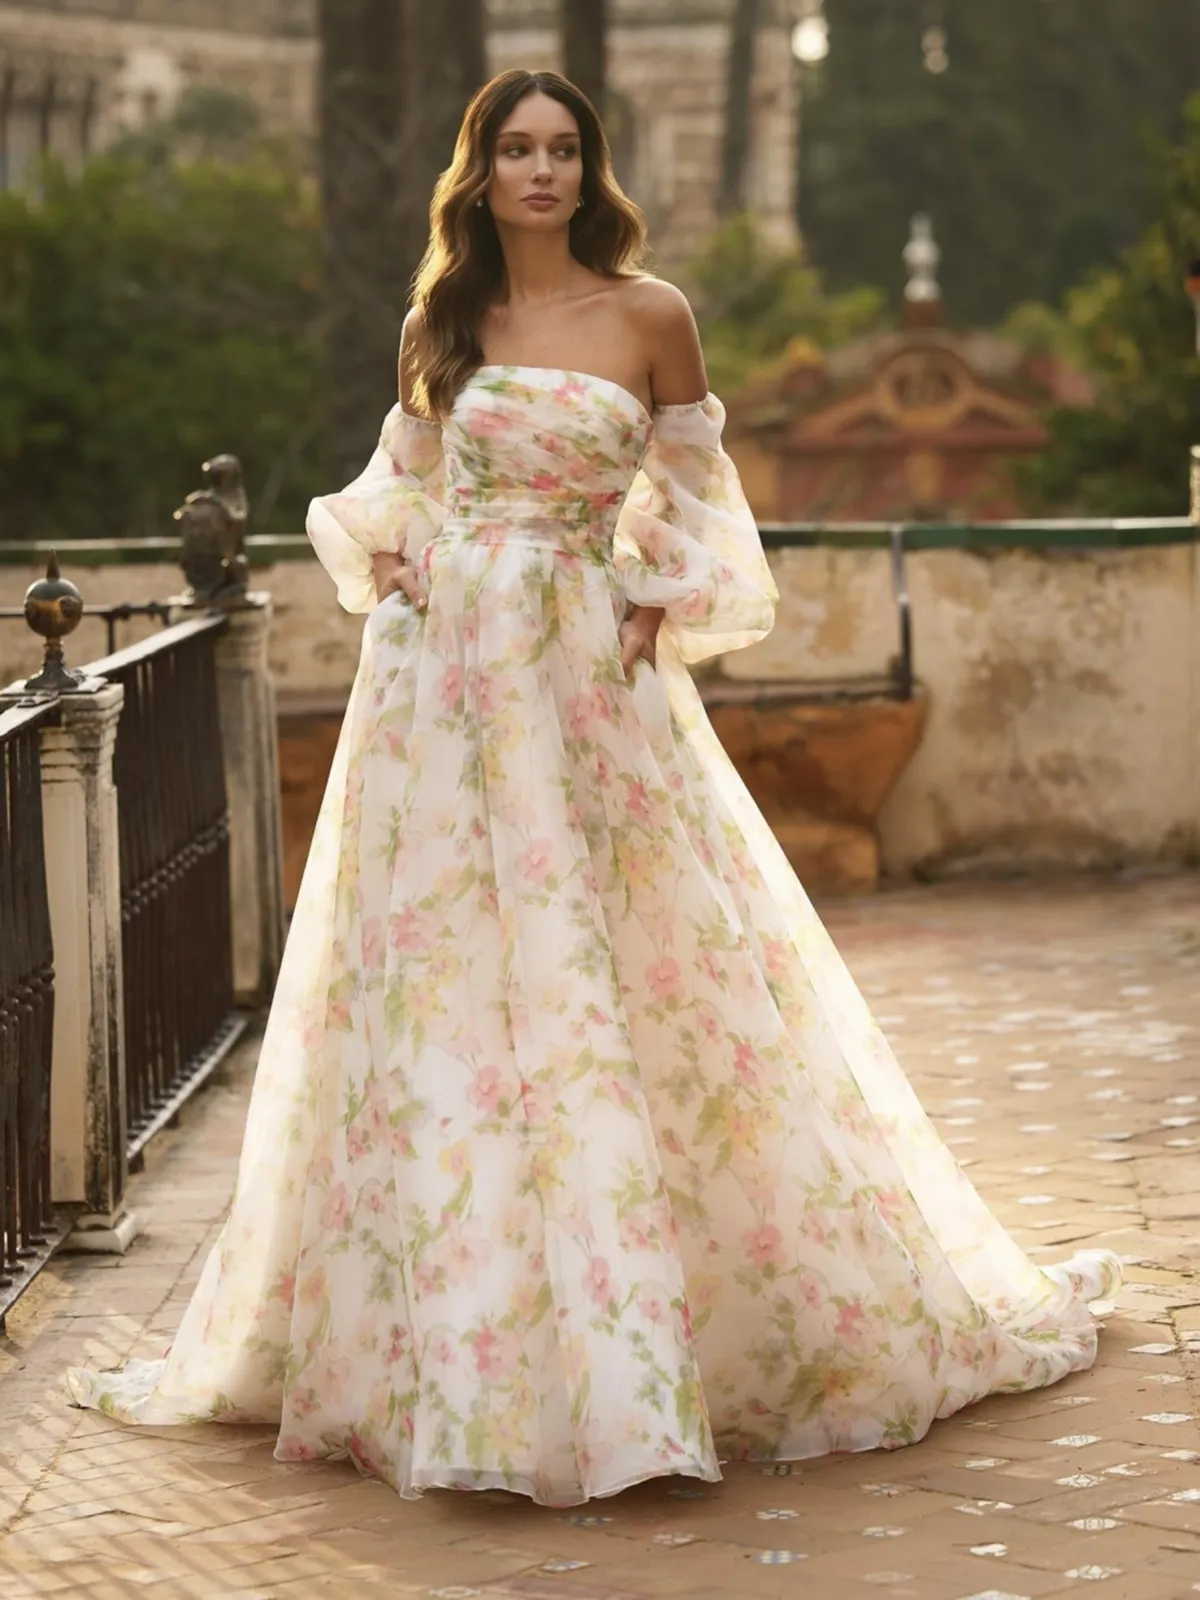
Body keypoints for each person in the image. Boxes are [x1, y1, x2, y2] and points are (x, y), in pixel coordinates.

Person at [67, 68, 1117, 1508]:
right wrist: (408, 561)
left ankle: (646, 1340)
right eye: (517, 149)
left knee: (632, 973)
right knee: (448, 990)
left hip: (583, 676)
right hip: (438, 691)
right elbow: (399, 489)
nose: (543, 172)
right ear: (481, 171)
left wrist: (651, 606)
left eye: (564, 150)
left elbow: (700, 495)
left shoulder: (650, 314)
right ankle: (464, 1356)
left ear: (590, 168)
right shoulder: (443, 324)